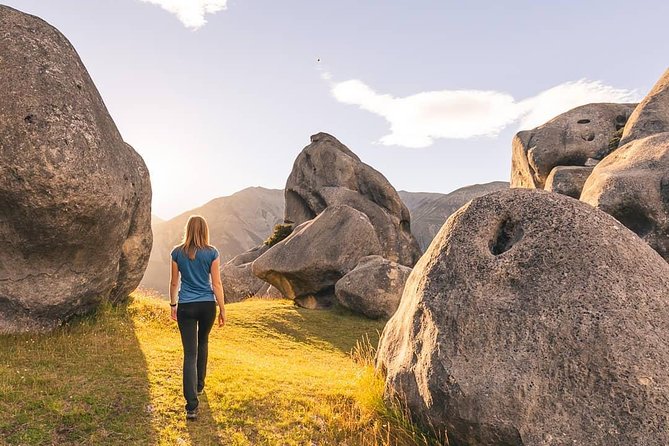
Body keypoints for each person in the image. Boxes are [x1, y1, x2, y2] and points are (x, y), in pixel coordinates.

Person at [169, 215, 226, 420]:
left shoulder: (177, 253)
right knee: (203, 343)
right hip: (207, 306)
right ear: (204, 230)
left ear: (187, 230)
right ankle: (199, 386)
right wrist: (222, 309)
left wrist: (173, 304)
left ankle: (191, 406)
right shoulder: (212, 252)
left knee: (189, 354)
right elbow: (217, 284)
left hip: (186, 306)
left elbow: (174, 283)